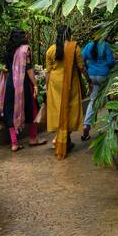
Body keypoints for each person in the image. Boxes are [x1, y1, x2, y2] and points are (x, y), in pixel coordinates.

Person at [45, 25, 89, 160]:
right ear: (69, 35)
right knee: (69, 110)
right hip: (70, 83)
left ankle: (65, 141)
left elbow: (48, 71)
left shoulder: (51, 50)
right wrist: (88, 80)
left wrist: (47, 88)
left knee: (59, 110)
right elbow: (81, 67)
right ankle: (59, 138)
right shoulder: (74, 48)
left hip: (55, 83)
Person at [0, 29, 44, 152]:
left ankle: (14, 143)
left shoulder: (9, 51)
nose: (27, 36)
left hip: (10, 84)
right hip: (23, 84)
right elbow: (28, 69)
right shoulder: (25, 50)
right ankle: (33, 138)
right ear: (22, 37)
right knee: (33, 109)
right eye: (25, 34)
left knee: (11, 111)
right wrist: (35, 85)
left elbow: (5, 69)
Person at [80, 36, 115, 141]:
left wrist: (88, 67)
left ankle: (86, 125)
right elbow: (110, 62)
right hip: (103, 76)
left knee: (93, 100)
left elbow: (82, 59)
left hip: (92, 76)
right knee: (109, 99)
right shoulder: (105, 45)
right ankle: (112, 124)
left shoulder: (89, 46)